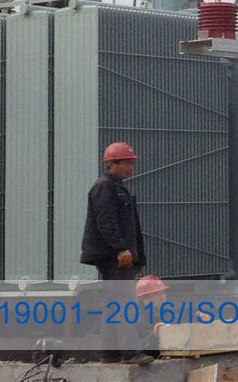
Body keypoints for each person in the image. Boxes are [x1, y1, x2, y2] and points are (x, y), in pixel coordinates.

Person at [81, 141, 150, 364]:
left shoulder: (116, 188)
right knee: (125, 303)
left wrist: (137, 257)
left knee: (113, 304)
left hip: (120, 257)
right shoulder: (104, 187)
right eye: (127, 163)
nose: (131, 168)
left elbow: (130, 227)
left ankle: (109, 354)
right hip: (114, 258)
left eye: (131, 163)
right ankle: (130, 352)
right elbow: (106, 222)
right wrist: (121, 249)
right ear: (112, 163)